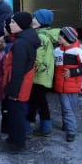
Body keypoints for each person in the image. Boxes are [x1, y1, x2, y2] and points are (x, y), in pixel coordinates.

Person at [3, 12, 40, 153]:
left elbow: (18, 70)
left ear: (21, 25)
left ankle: (18, 143)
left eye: (13, 22)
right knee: (16, 112)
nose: (10, 25)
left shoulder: (21, 44)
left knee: (17, 114)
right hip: (22, 84)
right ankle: (14, 138)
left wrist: (13, 91)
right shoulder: (26, 38)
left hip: (18, 86)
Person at [26, 9, 60, 137]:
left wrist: (29, 70)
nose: (32, 20)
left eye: (35, 18)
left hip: (38, 76)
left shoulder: (40, 37)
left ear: (42, 22)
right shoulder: (47, 35)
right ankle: (45, 127)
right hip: (45, 76)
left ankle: (28, 129)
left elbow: (37, 59)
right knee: (41, 102)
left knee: (32, 103)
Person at [53, 26, 82, 142]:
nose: (58, 37)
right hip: (60, 86)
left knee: (71, 109)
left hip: (73, 86)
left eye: (60, 35)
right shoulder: (57, 51)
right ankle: (71, 131)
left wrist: (73, 72)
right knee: (67, 108)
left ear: (67, 38)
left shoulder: (77, 51)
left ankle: (67, 125)